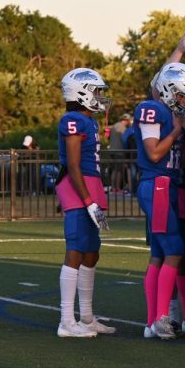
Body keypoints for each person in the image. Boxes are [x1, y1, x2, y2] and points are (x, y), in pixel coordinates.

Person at [135, 63, 185, 339]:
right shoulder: (153, 109)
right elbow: (153, 153)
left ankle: (154, 320)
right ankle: (159, 318)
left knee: (161, 254)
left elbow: (180, 161)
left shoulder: (170, 113)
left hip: (168, 184)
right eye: (183, 96)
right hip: (157, 184)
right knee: (172, 250)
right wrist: (175, 131)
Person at [54, 68, 115, 338]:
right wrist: (88, 200)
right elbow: (74, 165)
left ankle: (87, 317)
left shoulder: (88, 121)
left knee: (92, 251)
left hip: (91, 184)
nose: (100, 97)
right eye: (96, 91)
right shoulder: (72, 120)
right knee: (76, 249)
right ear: (81, 93)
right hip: (78, 187)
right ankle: (67, 321)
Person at [107, 113, 133, 194]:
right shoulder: (122, 127)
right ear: (127, 120)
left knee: (114, 170)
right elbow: (126, 139)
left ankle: (113, 188)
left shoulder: (115, 125)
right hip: (119, 151)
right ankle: (117, 188)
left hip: (112, 150)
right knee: (119, 170)